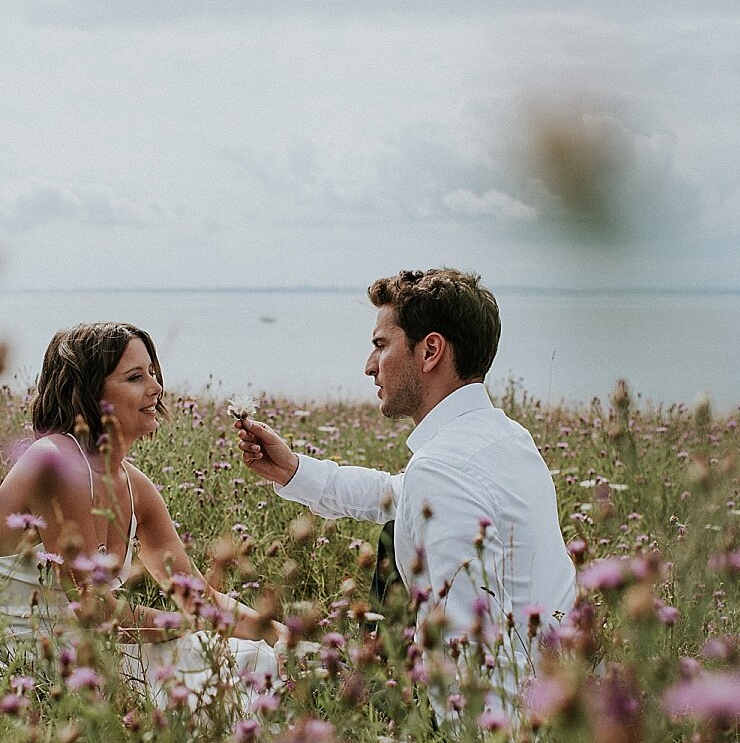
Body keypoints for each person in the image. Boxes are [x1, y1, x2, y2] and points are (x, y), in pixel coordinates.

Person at [235, 268, 576, 707]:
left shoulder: (443, 468)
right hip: (554, 686)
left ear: (430, 350)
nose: (368, 365)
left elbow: (466, 646)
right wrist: (293, 470)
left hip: (500, 722)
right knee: (391, 531)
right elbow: (397, 494)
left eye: (381, 345)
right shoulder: (506, 438)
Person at [0, 321, 282, 709]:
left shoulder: (134, 485)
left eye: (153, 372)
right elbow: (92, 609)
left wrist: (281, 634)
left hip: (100, 652)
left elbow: (199, 600)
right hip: (37, 667)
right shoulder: (56, 460)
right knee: (236, 681)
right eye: (135, 377)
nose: (156, 387)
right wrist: (184, 626)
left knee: (265, 661)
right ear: (90, 394)